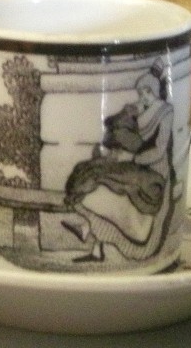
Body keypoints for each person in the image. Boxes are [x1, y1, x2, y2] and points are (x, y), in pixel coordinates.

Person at [61, 61, 176, 262]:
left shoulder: (165, 113)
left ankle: (88, 230)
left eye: (147, 93)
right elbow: (119, 131)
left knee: (107, 176)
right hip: (137, 165)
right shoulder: (141, 111)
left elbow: (158, 150)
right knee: (92, 170)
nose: (143, 97)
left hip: (154, 173)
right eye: (141, 93)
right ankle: (91, 236)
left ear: (156, 92)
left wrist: (132, 157)